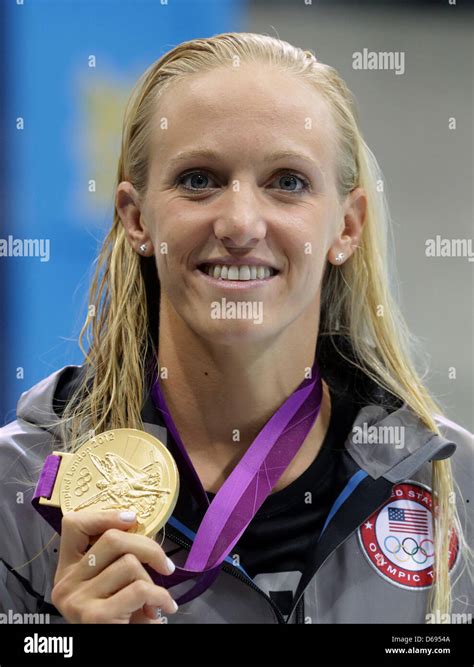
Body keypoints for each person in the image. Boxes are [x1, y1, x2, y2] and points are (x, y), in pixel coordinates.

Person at [0, 32, 472, 625]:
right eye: (199, 180)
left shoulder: (454, 483)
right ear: (136, 217)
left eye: (288, 182)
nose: (241, 223)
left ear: (346, 227)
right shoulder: (14, 494)